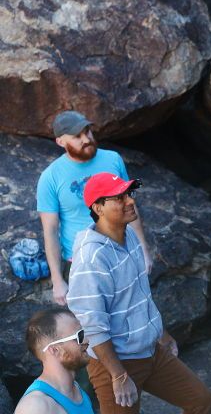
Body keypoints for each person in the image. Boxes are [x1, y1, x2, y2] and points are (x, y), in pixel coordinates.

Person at [66, 172, 211, 414]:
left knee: (201, 402)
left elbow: (139, 296)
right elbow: (93, 325)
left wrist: (160, 333)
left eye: (129, 194)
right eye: (119, 197)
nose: (130, 201)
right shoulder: (91, 258)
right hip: (115, 363)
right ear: (98, 207)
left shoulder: (129, 235)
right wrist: (119, 376)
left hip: (150, 351)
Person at [37, 110, 153, 306]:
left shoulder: (113, 159)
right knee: (94, 325)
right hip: (82, 262)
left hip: (121, 252)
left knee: (133, 312)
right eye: (77, 136)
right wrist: (57, 280)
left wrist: (143, 249)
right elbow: (50, 231)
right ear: (60, 142)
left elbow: (129, 206)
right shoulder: (50, 178)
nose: (86, 139)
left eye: (88, 132)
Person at [12, 307, 95, 414]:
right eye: (79, 336)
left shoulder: (76, 389)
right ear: (55, 350)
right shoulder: (36, 407)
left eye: (84, 333)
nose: (86, 340)